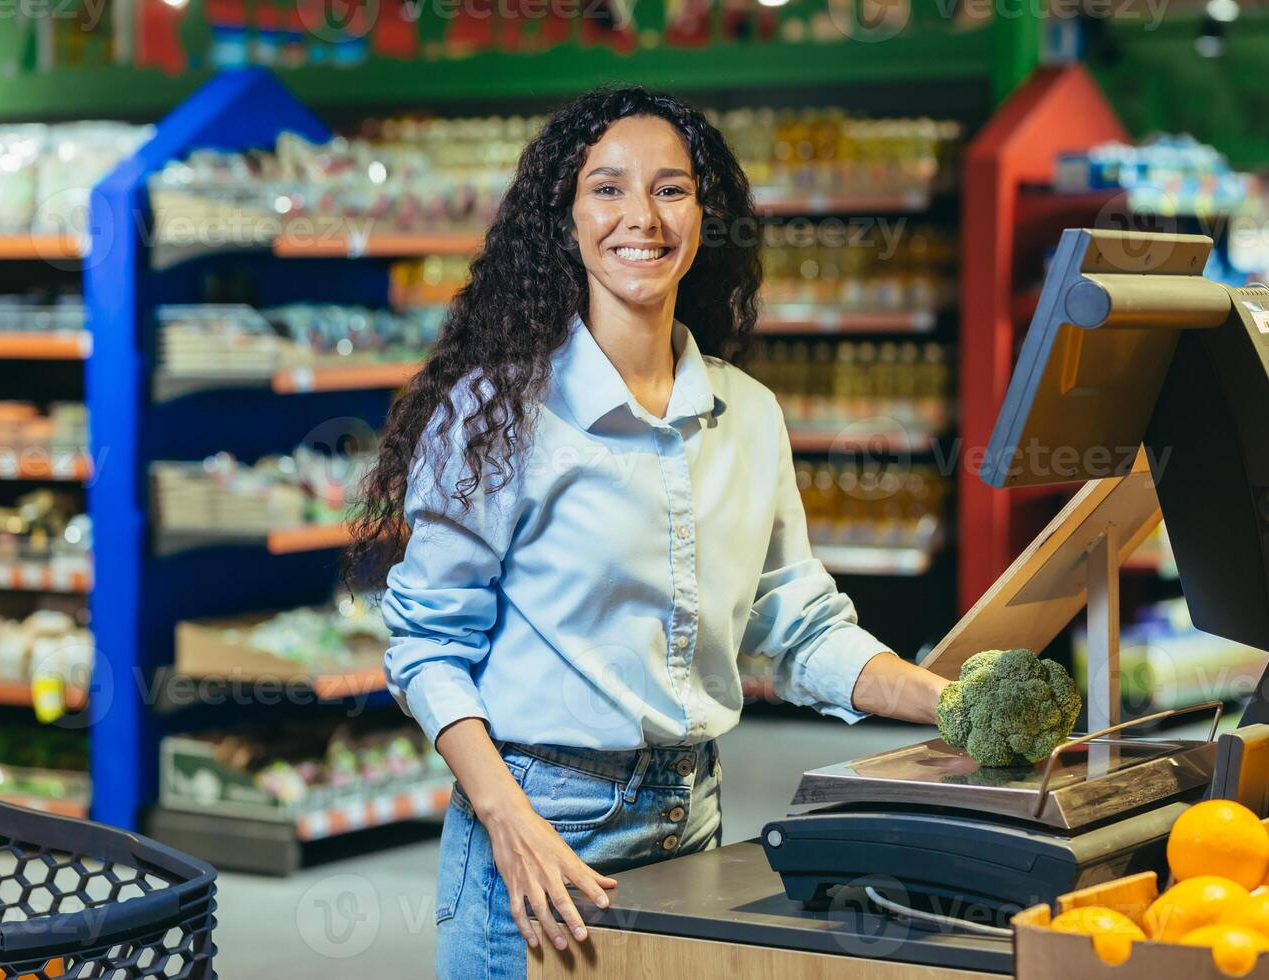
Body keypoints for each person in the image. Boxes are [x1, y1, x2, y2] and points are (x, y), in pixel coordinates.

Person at [344, 86, 977, 979]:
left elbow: (797, 624)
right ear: (562, 220)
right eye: (607, 189)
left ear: (704, 216)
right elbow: (427, 644)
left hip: (698, 815)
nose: (640, 215)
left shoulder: (748, 415)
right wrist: (506, 819)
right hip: (542, 821)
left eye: (670, 190)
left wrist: (950, 703)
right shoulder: (498, 413)